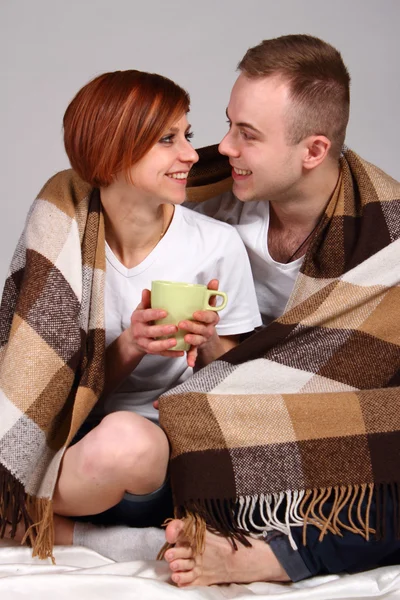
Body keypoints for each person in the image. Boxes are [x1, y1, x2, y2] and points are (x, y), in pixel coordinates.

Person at [158, 34, 400, 586]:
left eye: (247, 135)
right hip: (202, 415)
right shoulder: (203, 196)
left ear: (312, 151)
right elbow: (103, 188)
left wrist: (231, 368)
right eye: (227, 124)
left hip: (324, 420)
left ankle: (271, 557)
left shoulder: (390, 239)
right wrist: (215, 350)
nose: (224, 147)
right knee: (127, 442)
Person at [0, 70, 261, 557]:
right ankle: (103, 541)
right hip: (67, 444)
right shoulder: (63, 236)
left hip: (154, 459)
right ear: (113, 151)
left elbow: (237, 390)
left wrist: (205, 340)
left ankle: (25, 519)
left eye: (187, 135)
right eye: (168, 139)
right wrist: (131, 344)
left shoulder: (215, 245)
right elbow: (36, 377)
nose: (190, 155)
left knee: (126, 439)